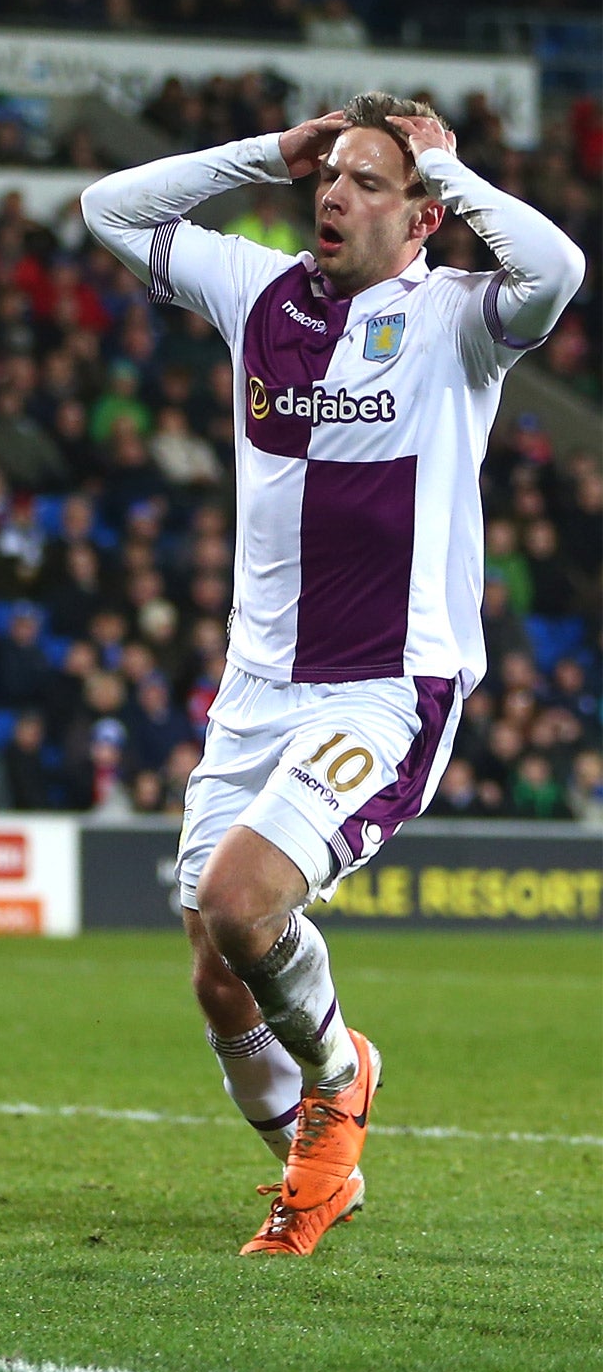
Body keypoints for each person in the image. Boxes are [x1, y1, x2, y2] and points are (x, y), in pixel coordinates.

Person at [82, 92, 584, 1256]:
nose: (331, 194)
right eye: (327, 177)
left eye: (364, 183)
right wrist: (268, 149)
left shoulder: (460, 319)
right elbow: (108, 207)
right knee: (216, 974)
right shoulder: (255, 292)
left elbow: (555, 264)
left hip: (384, 684)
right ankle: (323, 1141)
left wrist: (443, 172)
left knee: (243, 899)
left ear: (419, 221)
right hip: (256, 687)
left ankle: (330, 1091)